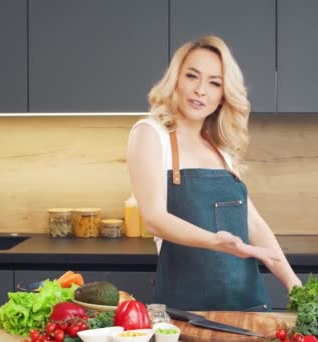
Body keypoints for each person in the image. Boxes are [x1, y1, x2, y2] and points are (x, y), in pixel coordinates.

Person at [127, 35, 301, 311]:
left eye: (214, 83)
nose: (201, 90)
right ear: (175, 79)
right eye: (192, 76)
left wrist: (295, 287)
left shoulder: (221, 147)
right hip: (186, 309)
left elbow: (253, 223)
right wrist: (217, 242)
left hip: (247, 304)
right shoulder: (151, 134)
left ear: (223, 95)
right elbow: (155, 219)